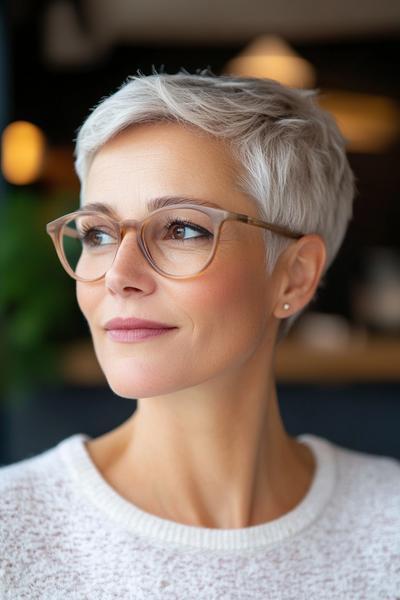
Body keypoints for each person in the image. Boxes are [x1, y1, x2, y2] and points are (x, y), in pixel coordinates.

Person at [1, 71, 399, 599]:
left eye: (181, 229)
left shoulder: (388, 524)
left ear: (295, 276)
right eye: (98, 234)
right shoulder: (13, 533)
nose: (117, 274)